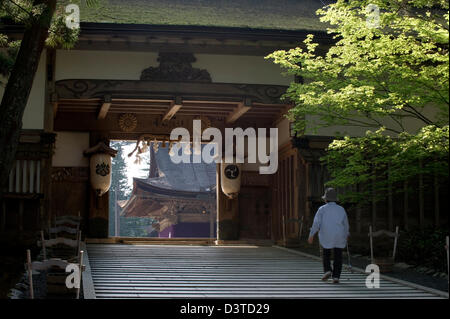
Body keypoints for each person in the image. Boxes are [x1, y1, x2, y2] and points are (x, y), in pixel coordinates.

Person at [308, 187, 349, 284]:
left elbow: (316, 223)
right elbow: (345, 223)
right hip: (339, 234)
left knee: (326, 253)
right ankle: (336, 277)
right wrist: (347, 233)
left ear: (325, 199)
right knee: (338, 255)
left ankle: (327, 270)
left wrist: (311, 235)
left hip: (326, 234)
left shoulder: (321, 209)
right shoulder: (341, 209)